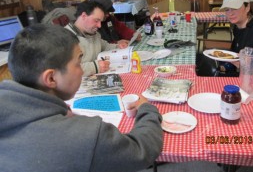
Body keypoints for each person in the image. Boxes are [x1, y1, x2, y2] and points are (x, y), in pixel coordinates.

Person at [0, 24, 163, 172]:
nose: (81, 70)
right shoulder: (86, 136)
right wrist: (147, 110)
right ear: (51, 78)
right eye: (78, 63)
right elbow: (142, 150)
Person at [65, 0, 128, 76]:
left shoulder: (93, 33)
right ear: (84, 16)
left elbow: (104, 46)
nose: (99, 25)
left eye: (100, 21)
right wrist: (95, 67)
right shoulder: (64, 37)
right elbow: (67, 70)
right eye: (96, 20)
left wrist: (117, 46)